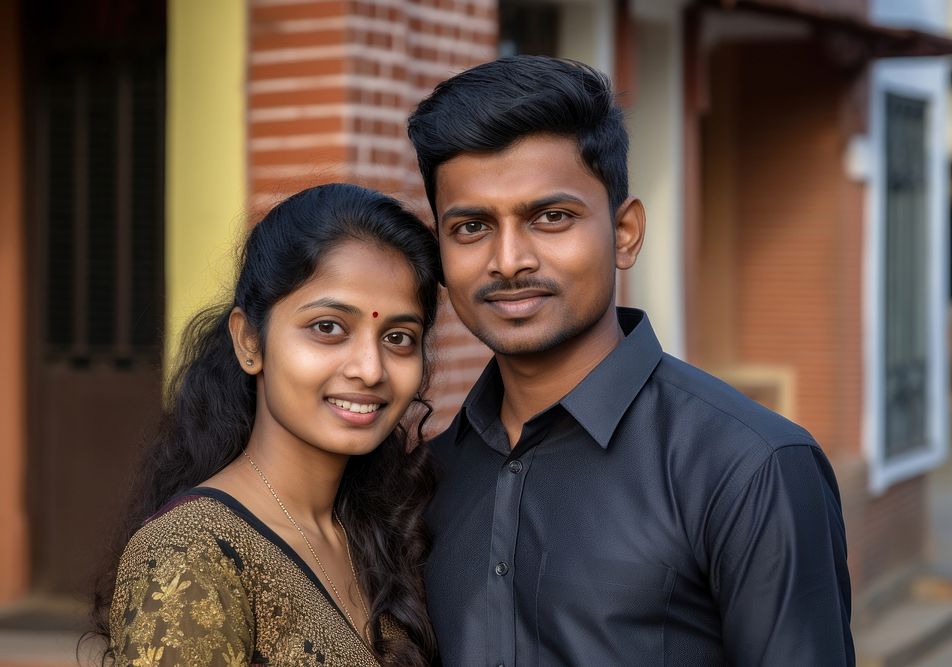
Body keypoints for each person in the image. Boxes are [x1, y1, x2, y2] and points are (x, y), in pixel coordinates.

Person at [408, 56, 855, 666]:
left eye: (551, 217)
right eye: (471, 226)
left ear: (624, 233)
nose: (508, 259)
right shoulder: (429, 475)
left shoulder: (749, 468)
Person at [89, 183, 440, 666]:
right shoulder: (189, 558)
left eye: (399, 337)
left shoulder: (377, 527)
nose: (371, 368)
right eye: (328, 327)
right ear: (249, 341)